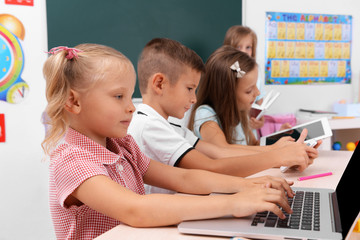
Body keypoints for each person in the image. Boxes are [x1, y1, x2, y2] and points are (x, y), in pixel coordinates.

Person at [42, 44, 294, 239]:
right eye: (118, 96)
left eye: (130, 96)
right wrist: (233, 203)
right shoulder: (72, 159)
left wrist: (247, 187)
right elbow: (136, 210)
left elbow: (184, 178)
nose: (131, 107)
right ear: (74, 102)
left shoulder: (123, 145)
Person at [128, 38, 317, 194]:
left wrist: (278, 152)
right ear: (160, 84)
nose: (194, 99)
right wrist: (277, 157)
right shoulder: (148, 125)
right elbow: (210, 166)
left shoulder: (172, 126)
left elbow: (219, 153)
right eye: (189, 89)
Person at [223, 25, 292, 137]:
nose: (244, 52)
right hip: (232, 133)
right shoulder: (224, 76)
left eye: (248, 47)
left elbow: (260, 111)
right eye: (238, 47)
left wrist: (259, 122)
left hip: (250, 135)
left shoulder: (256, 79)